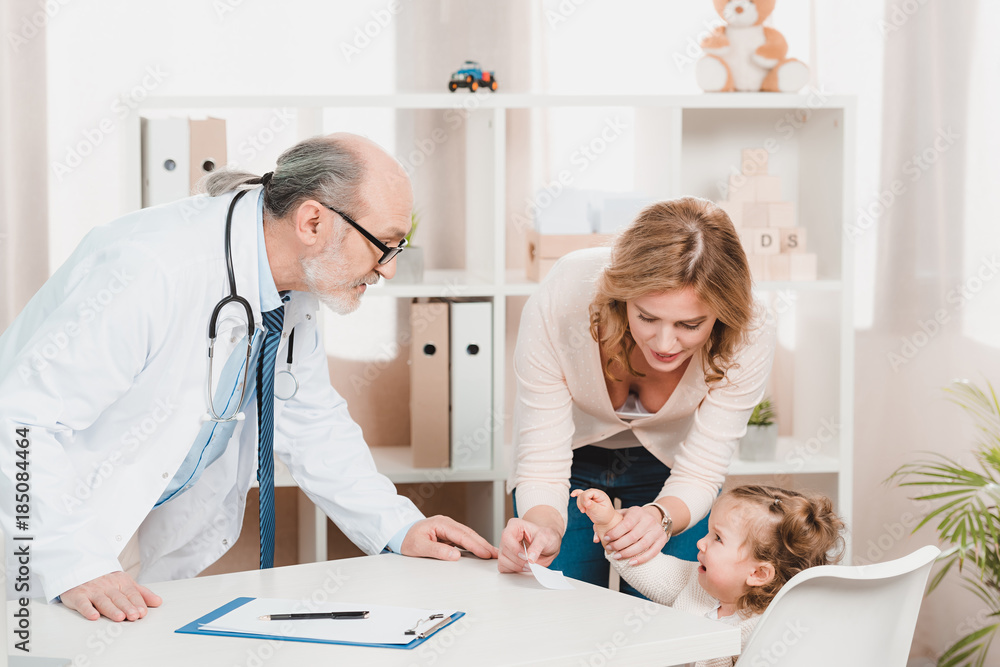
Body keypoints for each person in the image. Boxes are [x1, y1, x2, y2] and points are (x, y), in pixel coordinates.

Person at [0, 133, 497, 623]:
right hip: (45, 532)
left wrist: (399, 527)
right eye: (384, 245)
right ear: (313, 221)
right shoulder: (153, 268)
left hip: (127, 531)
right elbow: (20, 420)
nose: (387, 270)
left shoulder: (293, 286)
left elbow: (311, 419)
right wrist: (74, 562)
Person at [499, 197, 777, 595]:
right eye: (646, 317)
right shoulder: (565, 295)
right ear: (620, 295)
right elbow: (542, 462)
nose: (665, 343)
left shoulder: (749, 329)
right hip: (569, 456)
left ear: (721, 316)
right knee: (557, 608)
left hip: (671, 467)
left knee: (668, 615)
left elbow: (701, 469)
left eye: (690, 324)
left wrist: (661, 516)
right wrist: (542, 528)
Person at [573, 485, 845, 667]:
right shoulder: (696, 583)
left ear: (759, 573)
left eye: (717, 538)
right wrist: (609, 523)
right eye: (708, 532)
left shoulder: (768, 629)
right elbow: (644, 565)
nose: (700, 543)